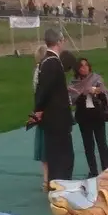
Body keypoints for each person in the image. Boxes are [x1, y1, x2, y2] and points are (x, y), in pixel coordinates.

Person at [34, 27, 75, 182]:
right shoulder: (52, 63)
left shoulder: (47, 61)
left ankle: (58, 182)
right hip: (56, 117)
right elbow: (44, 90)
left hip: (54, 116)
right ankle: (61, 184)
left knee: (58, 153)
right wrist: (39, 109)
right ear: (59, 41)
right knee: (62, 155)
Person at [69, 57, 108, 176]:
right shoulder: (74, 83)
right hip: (83, 117)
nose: (84, 68)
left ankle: (107, 168)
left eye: (86, 65)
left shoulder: (96, 78)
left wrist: (98, 92)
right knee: (88, 146)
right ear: (77, 69)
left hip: (97, 115)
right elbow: (72, 100)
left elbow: (105, 93)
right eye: (81, 66)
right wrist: (83, 94)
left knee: (102, 143)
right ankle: (93, 170)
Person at [31, 44, 48, 190]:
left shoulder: (38, 70)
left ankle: (47, 179)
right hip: (46, 112)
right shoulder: (42, 70)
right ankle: (47, 179)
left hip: (42, 111)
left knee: (45, 146)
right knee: (46, 147)